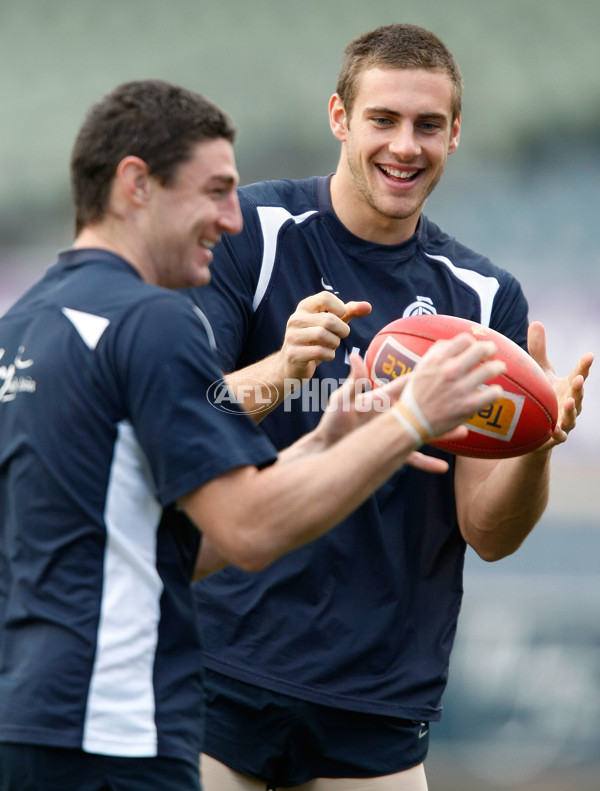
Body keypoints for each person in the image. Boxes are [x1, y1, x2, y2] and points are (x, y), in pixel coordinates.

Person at [0, 80, 511, 791]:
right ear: (137, 185)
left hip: (29, 710)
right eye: (213, 192)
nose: (227, 218)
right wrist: (410, 420)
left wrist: (320, 445)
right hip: (108, 727)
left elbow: (175, 540)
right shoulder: (154, 323)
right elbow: (246, 530)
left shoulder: (24, 323)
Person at [191, 24, 593, 791]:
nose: (405, 146)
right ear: (340, 117)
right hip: (215, 670)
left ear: (456, 134)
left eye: (428, 125)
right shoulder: (254, 232)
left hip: (376, 702)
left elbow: (489, 531)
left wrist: (539, 441)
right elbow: (178, 421)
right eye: (383, 119)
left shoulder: (482, 299)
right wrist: (281, 366)